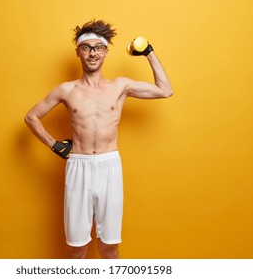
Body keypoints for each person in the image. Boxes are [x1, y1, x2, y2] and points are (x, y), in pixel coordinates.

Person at [25, 19, 173, 259]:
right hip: (78, 166)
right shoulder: (66, 90)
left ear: (105, 52)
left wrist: (148, 52)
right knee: (77, 248)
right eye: (86, 48)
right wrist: (54, 145)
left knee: (110, 247)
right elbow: (31, 117)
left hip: (109, 166)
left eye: (97, 48)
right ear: (78, 52)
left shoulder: (120, 86)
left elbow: (165, 90)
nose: (92, 53)